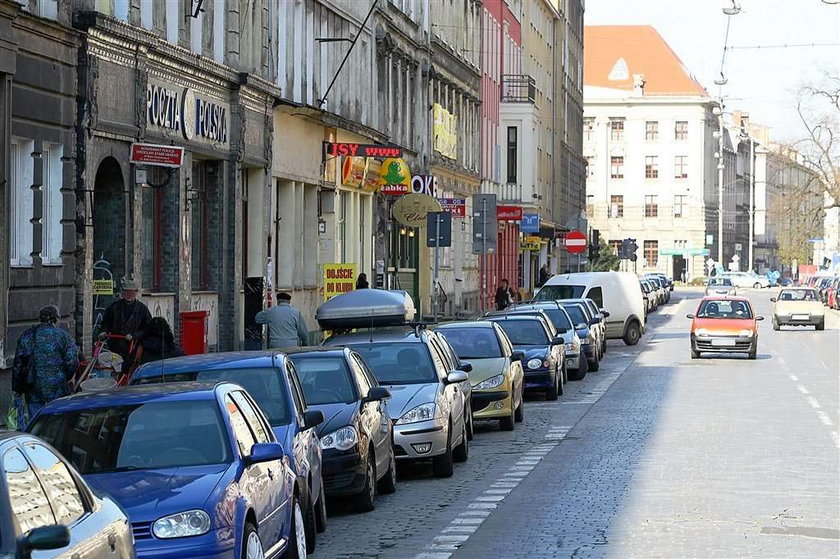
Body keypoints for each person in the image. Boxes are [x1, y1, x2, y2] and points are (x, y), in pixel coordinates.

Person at [11, 305, 79, 416]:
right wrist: (66, 377)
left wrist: (17, 388)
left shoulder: (27, 336)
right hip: (58, 386)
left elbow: (18, 364)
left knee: (35, 421)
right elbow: (72, 361)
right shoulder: (63, 336)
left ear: (40, 318)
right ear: (56, 319)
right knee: (56, 421)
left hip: (33, 386)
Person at [101, 277, 152, 362]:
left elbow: (148, 328)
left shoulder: (142, 309)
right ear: (122, 292)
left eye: (131, 292)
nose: (128, 295)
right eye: (126, 292)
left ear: (135, 292)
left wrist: (135, 335)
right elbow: (106, 323)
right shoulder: (114, 307)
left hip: (133, 348)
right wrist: (104, 331)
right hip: (115, 346)